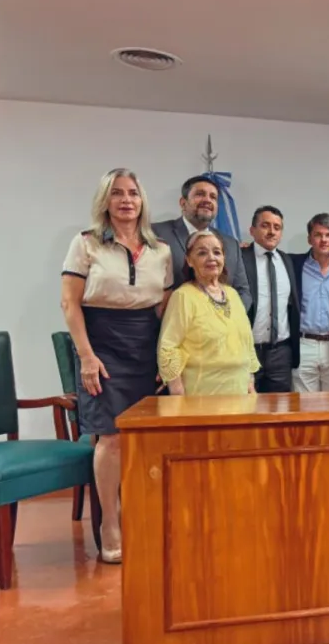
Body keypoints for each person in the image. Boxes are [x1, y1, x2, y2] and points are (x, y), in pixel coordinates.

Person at [60, 168, 172, 564]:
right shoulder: (86, 243)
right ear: (105, 201)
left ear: (142, 201)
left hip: (145, 343)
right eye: (118, 194)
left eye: (133, 194)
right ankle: (111, 522)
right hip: (101, 344)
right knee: (111, 437)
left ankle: (140, 515)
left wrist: (166, 356)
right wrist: (87, 356)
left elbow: (165, 306)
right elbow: (70, 303)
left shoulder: (160, 249)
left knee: (146, 437)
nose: (127, 200)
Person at [158, 229, 260, 396]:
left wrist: (250, 384)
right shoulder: (183, 296)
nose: (211, 258)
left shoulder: (233, 295)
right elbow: (168, 347)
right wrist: (176, 392)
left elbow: (246, 344)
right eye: (202, 253)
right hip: (200, 396)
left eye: (217, 252)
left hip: (240, 394)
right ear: (189, 260)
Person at [152, 175, 251, 310]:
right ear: (183, 202)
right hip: (170, 325)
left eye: (213, 197)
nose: (207, 200)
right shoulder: (156, 234)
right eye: (200, 194)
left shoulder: (231, 245)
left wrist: (225, 318)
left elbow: (243, 292)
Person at [289, 214, 329, 392]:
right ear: (310, 238)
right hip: (304, 345)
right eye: (318, 235)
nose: (323, 240)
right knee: (302, 406)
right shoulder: (293, 264)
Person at [241, 206, 299, 393]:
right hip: (247, 350)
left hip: (281, 353)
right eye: (265, 225)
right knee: (245, 409)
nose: (272, 231)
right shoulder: (240, 257)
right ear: (252, 230)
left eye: (277, 227)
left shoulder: (286, 260)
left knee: (279, 412)